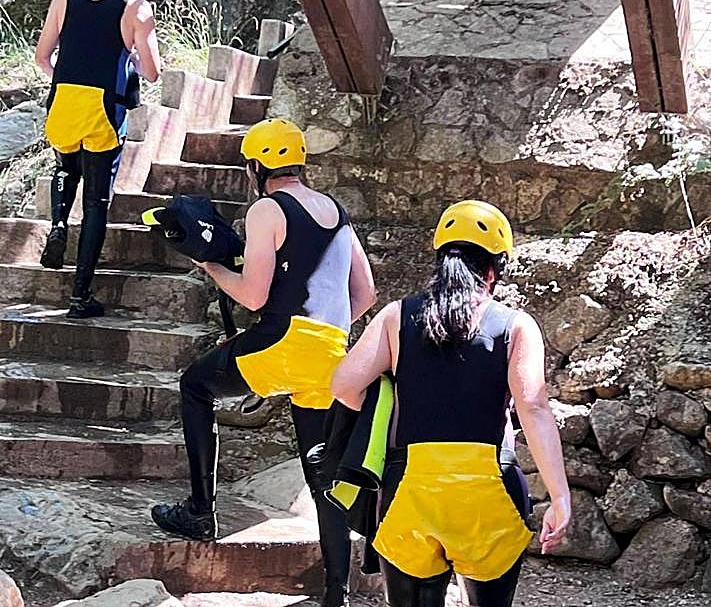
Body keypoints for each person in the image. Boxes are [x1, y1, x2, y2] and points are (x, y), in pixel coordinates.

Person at [151, 118, 377, 607]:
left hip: (283, 341)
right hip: (332, 353)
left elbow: (253, 296)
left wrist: (211, 266)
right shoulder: (336, 211)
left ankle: (199, 511)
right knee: (323, 476)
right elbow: (366, 292)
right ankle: (336, 592)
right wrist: (325, 333)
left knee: (195, 386)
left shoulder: (267, 209)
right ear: (299, 162)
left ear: (256, 166)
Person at [331, 200, 571, 607]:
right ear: (495, 269)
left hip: (410, 491)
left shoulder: (397, 317)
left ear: (441, 260)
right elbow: (532, 407)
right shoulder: (515, 325)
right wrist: (560, 497)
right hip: (489, 492)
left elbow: (344, 387)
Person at [35, 0, 160, 318]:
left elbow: (42, 58)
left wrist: (69, 78)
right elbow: (152, 71)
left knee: (64, 169)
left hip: (64, 101)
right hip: (104, 109)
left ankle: (56, 226)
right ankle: (79, 296)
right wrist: (134, 58)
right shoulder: (136, 7)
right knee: (95, 204)